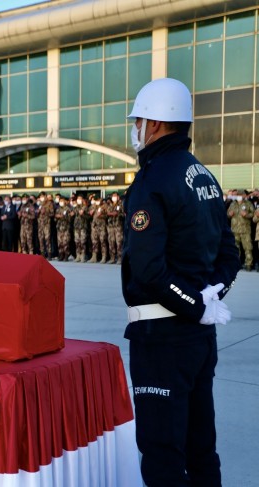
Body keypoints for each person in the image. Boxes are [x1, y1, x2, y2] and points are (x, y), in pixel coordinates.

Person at [122, 78, 239, 487]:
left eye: (138, 120)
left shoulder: (152, 181)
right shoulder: (203, 175)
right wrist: (210, 298)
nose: (135, 128)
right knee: (200, 447)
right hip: (199, 338)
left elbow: (149, 270)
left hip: (162, 337)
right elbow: (230, 254)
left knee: (162, 455)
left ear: (154, 124)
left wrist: (194, 304)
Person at [227, 190, 254, 271]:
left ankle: (248, 264)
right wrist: (229, 214)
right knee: (235, 249)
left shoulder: (248, 204)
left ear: (244, 195)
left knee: (248, 248)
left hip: (245, 230)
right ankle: (236, 264)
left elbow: (253, 214)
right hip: (235, 230)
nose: (239, 196)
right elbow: (227, 214)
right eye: (238, 194)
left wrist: (246, 215)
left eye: (241, 194)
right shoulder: (233, 204)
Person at [106, 192, 125, 264]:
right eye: (112, 196)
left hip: (118, 226)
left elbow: (124, 214)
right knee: (111, 242)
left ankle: (120, 258)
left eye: (115, 196)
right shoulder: (110, 205)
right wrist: (111, 214)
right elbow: (107, 213)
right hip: (111, 226)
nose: (113, 197)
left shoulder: (121, 205)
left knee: (119, 242)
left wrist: (118, 214)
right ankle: (112, 258)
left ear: (118, 197)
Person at [72, 196, 90, 262]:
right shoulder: (75, 207)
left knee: (82, 242)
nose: (79, 200)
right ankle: (78, 256)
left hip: (83, 227)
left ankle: (83, 256)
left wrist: (83, 214)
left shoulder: (85, 207)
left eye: (80, 198)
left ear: (82, 199)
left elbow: (88, 217)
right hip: (76, 227)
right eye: (78, 199)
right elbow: (72, 215)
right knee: (77, 242)